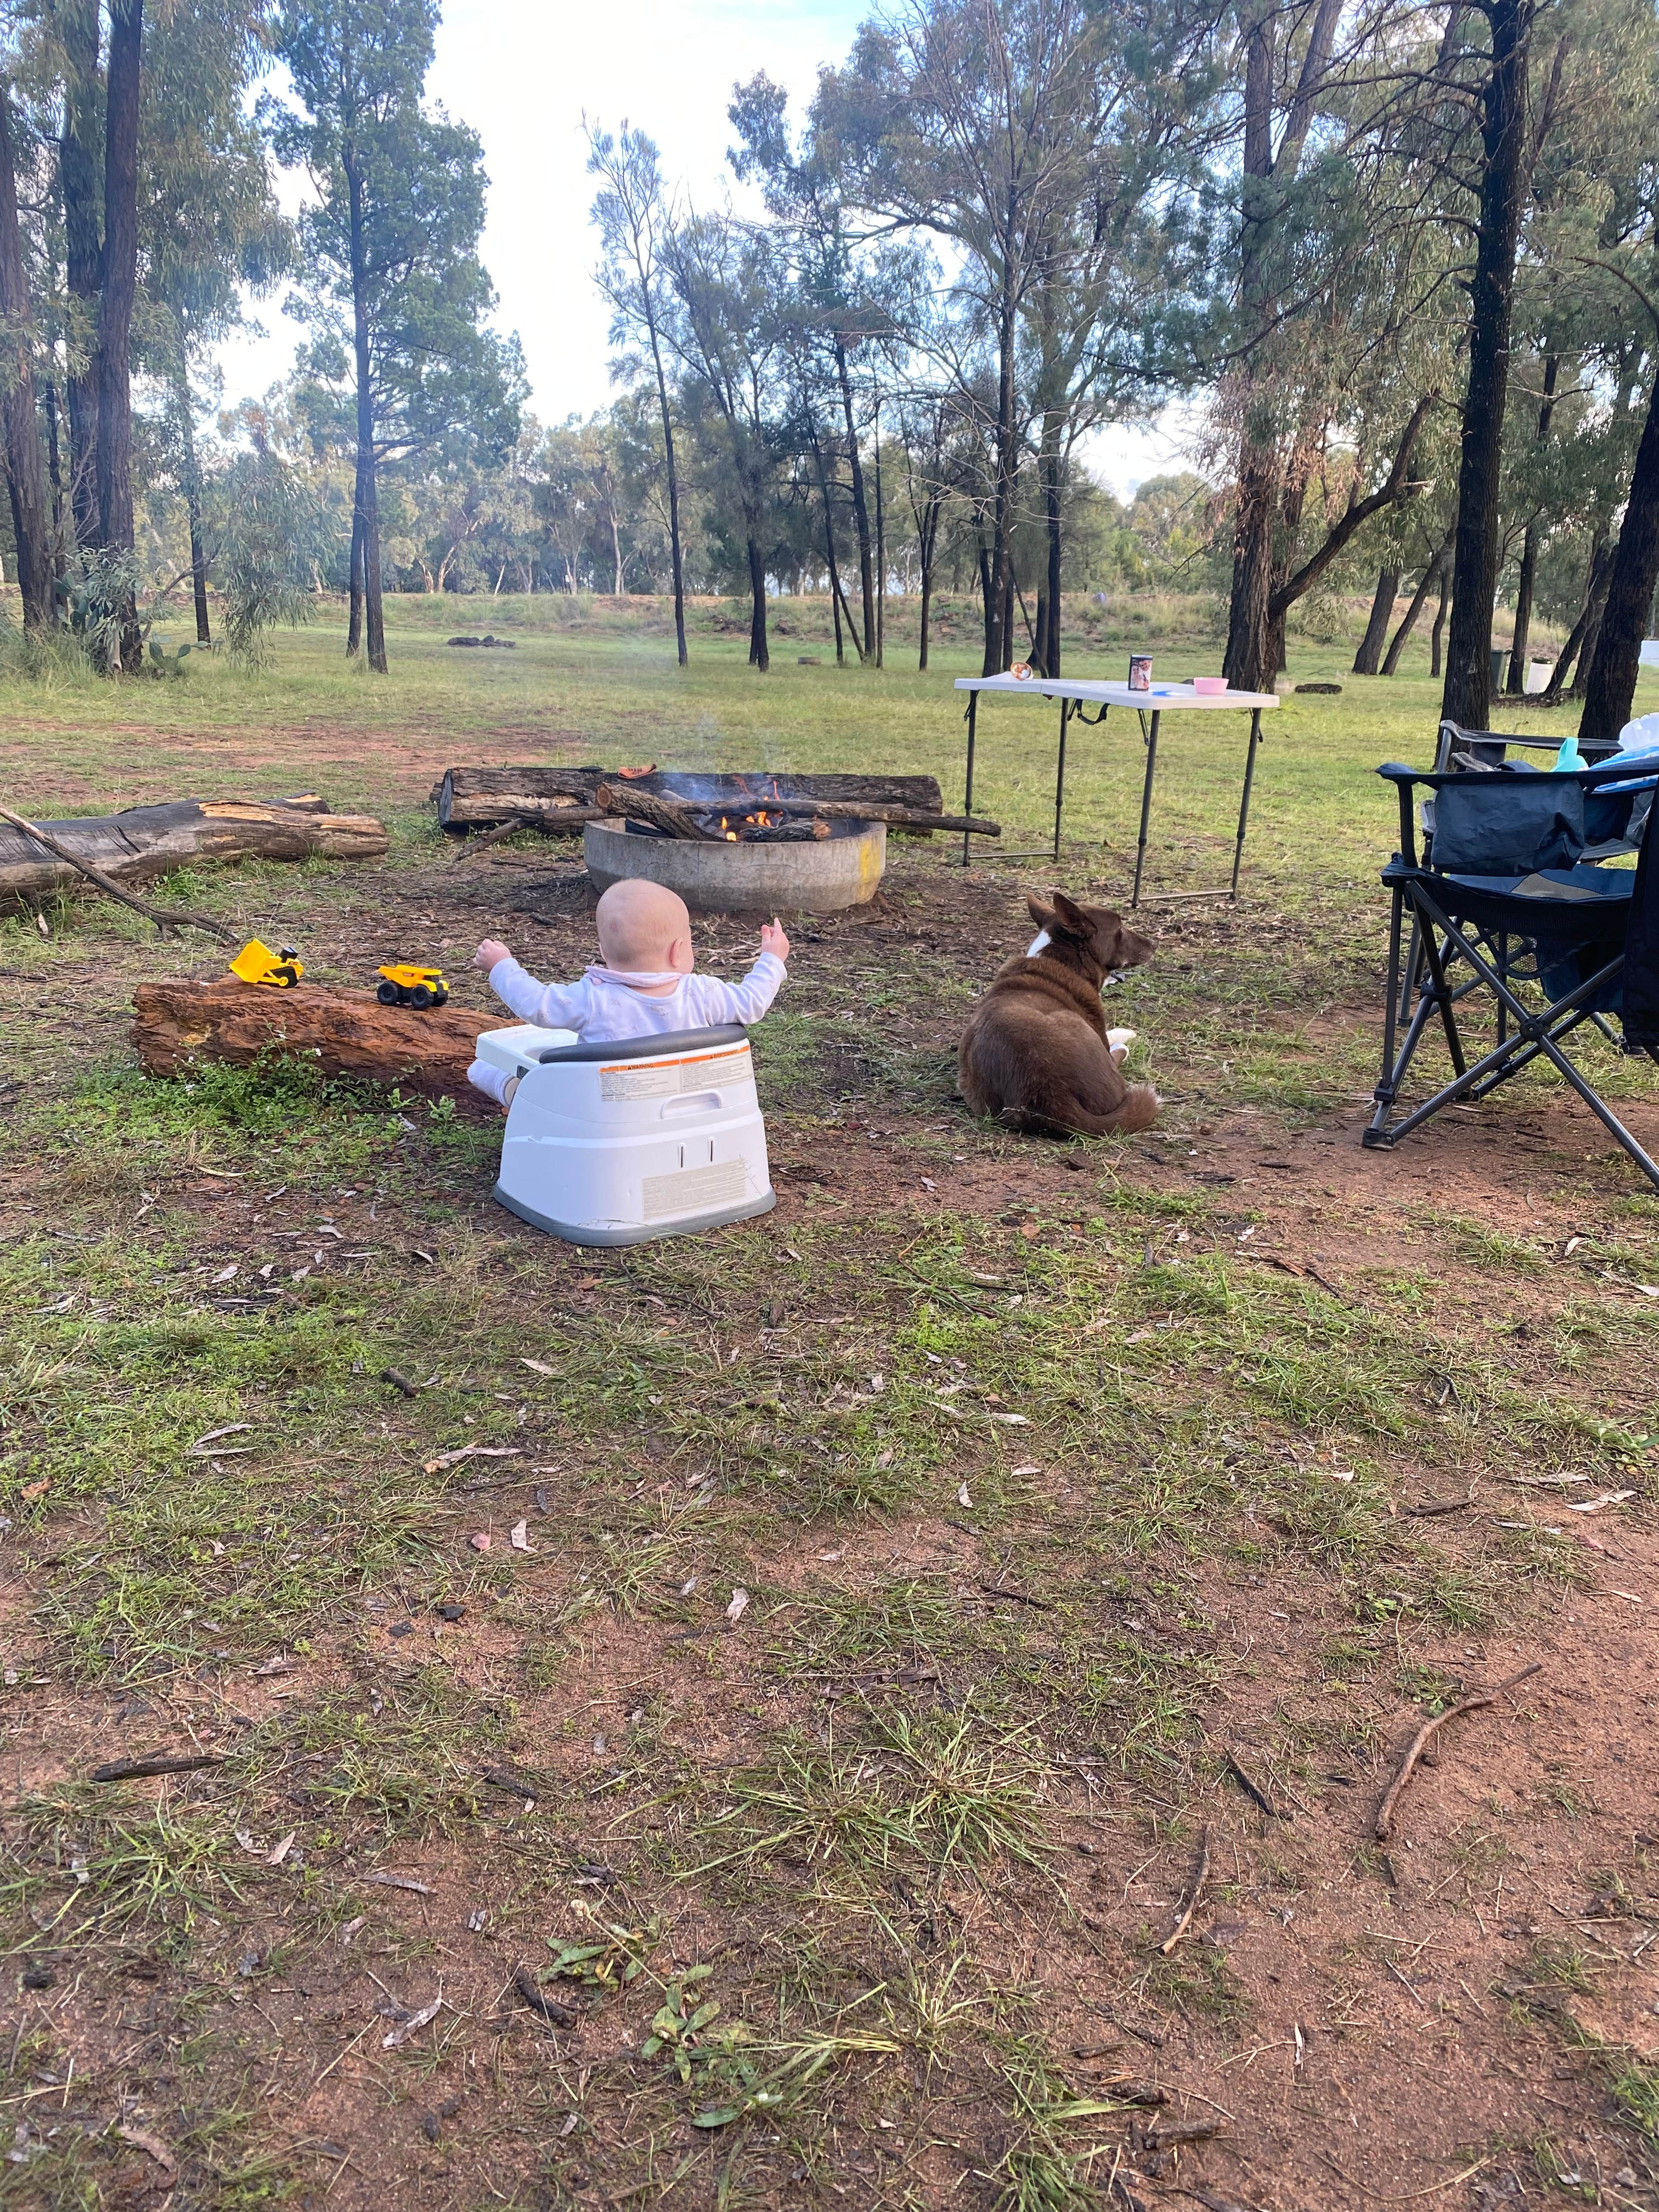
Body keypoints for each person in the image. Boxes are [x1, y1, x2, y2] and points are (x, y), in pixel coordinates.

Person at [466, 877, 790, 1106]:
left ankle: (514, 1096)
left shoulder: (592, 999)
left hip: (603, 1112)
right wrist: (771, 958)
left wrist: (502, 965)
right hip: (686, 1104)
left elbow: (536, 1004)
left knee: (484, 1067)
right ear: (678, 952)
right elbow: (753, 1002)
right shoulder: (704, 994)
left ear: (605, 951)